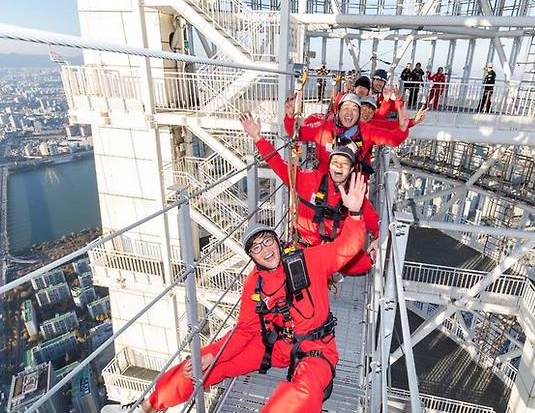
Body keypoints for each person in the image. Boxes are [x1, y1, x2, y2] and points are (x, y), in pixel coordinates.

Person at [101, 176, 368, 413]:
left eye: (267, 241)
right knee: (198, 365)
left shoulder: (309, 261)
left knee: (302, 393)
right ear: (252, 257)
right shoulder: (256, 282)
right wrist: (213, 354)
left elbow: (348, 247)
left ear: (277, 242)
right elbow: (245, 329)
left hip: (316, 348)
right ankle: (148, 406)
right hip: (272, 346)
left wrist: (354, 213)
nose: (265, 250)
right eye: (256, 248)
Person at [241, 111, 380, 273]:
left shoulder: (355, 195)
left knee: (364, 264)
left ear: (351, 170)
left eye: (344, 164)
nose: (339, 166)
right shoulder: (308, 180)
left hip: (333, 251)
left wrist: (376, 242)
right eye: (335, 162)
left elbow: (375, 224)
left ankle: (330, 274)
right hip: (304, 246)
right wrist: (258, 137)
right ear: (329, 166)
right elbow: (278, 164)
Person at [284, 93, 411, 176]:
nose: (350, 113)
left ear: (359, 114)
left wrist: (402, 129)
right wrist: (290, 118)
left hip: (351, 185)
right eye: (346, 108)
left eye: (354, 109)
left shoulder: (366, 131)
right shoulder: (323, 127)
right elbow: (297, 133)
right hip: (323, 183)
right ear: (338, 111)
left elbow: (392, 139)